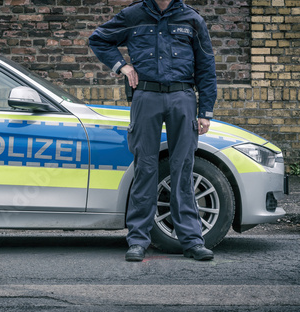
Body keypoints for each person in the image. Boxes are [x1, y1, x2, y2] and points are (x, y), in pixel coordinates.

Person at [89, 0, 217, 261]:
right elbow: (99, 39)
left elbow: (206, 66)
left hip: (182, 96)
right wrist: (122, 66)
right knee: (145, 167)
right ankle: (138, 240)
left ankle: (192, 241)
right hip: (146, 95)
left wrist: (205, 111)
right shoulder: (133, 15)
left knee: (183, 168)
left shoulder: (192, 19)